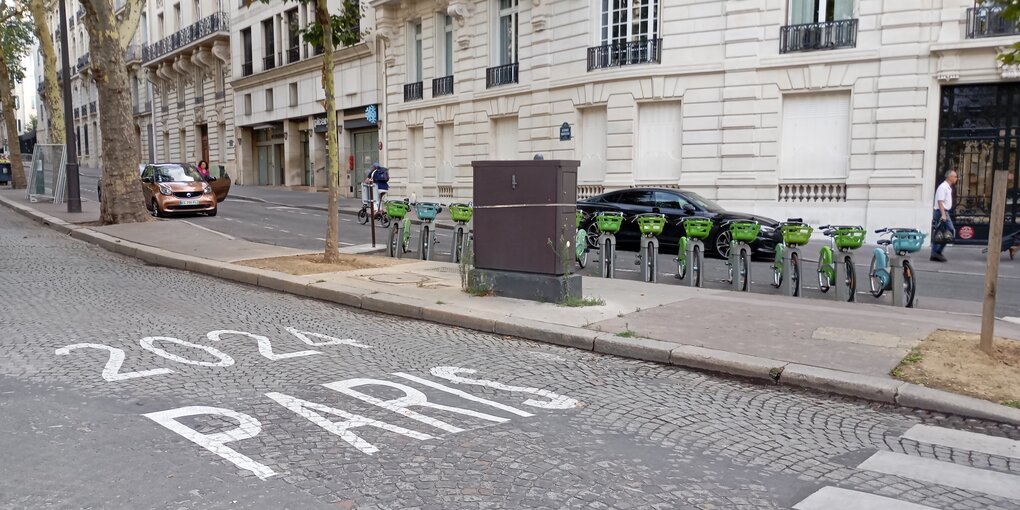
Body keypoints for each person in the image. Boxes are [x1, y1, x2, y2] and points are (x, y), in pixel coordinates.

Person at [931, 169, 958, 262]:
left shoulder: (947, 187)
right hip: (941, 211)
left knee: (939, 233)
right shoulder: (943, 187)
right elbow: (940, 201)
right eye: (955, 176)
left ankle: (934, 253)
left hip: (943, 211)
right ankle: (937, 252)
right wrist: (943, 214)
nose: (956, 178)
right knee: (950, 231)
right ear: (950, 177)